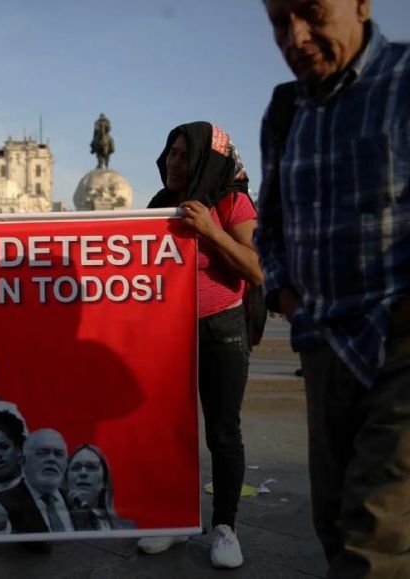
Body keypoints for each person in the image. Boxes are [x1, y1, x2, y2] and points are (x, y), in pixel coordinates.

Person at [256, 1, 410, 576]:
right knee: (334, 525)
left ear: (360, 4)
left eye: (311, 12)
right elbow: (270, 225)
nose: (296, 37)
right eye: (281, 21)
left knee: (381, 543)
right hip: (328, 350)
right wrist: (288, 300)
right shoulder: (286, 109)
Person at [138, 122, 261, 569]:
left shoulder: (233, 201)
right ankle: (174, 518)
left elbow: (255, 268)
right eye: (170, 152)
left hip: (221, 330)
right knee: (169, 428)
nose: (173, 162)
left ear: (207, 162)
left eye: (184, 156)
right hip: (170, 334)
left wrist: (210, 229)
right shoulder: (158, 206)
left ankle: (225, 527)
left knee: (223, 432)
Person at [0, 428, 76, 534]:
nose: (51, 459)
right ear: (22, 460)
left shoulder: (77, 502)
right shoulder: (2, 505)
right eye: (43, 453)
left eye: (58, 454)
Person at [65, 444, 134, 531]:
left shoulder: (126, 528)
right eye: (76, 467)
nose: (83, 473)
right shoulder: (55, 525)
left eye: (91, 467)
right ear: (66, 480)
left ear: (104, 481)